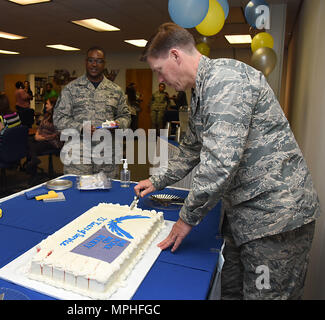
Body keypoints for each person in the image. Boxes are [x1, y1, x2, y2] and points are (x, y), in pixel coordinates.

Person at [134, 22, 320, 300]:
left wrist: (186, 220)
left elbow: (220, 164)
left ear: (175, 55)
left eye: (159, 70)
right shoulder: (200, 91)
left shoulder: (226, 81)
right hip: (243, 217)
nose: (159, 81)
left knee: (264, 295)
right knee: (230, 292)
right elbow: (190, 150)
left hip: (275, 220)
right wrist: (157, 180)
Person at [53, 46, 131, 179]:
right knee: (78, 194)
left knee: (107, 193)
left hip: (106, 154)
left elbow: (126, 116)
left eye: (99, 61)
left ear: (104, 64)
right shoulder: (71, 89)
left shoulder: (115, 90)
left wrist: (118, 124)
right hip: (78, 154)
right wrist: (81, 128)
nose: (94, 64)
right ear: (86, 62)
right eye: (91, 60)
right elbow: (58, 119)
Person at [25, 97, 63, 178]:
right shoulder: (47, 115)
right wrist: (37, 134)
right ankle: (34, 162)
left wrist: (42, 138)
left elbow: (57, 134)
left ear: (53, 105)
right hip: (41, 137)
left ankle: (33, 172)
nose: (45, 106)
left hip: (52, 142)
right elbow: (40, 126)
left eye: (47, 104)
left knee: (33, 147)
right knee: (27, 141)